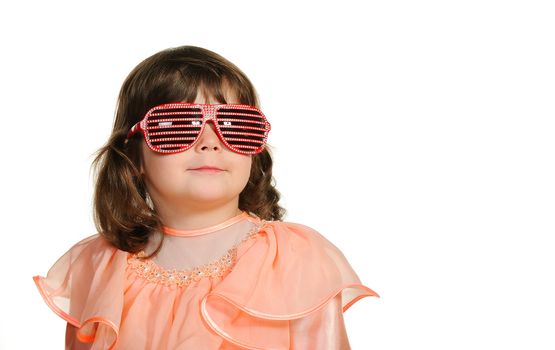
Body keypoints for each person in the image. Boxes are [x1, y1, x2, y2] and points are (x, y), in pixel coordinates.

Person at [33, 45, 379, 350]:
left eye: (234, 126)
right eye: (180, 124)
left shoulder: (292, 258)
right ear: (134, 157)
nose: (210, 142)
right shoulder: (98, 267)